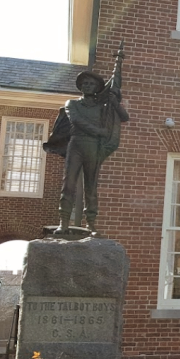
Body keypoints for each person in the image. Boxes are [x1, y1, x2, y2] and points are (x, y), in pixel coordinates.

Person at [45, 44, 128, 234]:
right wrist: (98, 131)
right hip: (77, 144)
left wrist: (114, 102)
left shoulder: (102, 108)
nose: (87, 86)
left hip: (93, 147)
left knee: (92, 185)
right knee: (69, 183)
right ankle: (64, 222)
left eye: (91, 84)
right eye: (84, 84)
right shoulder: (72, 103)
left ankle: (91, 223)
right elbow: (76, 120)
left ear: (98, 88)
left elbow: (124, 117)